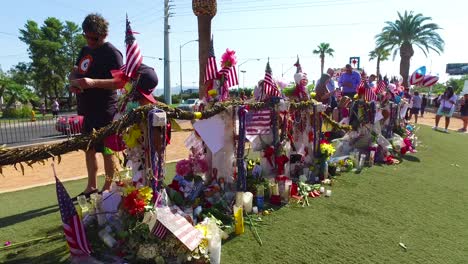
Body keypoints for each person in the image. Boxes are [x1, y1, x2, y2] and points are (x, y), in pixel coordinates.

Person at [69, 13, 124, 196]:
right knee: (89, 148)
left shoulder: (112, 53)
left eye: (94, 37)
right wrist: (74, 82)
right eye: (86, 36)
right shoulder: (85, 50)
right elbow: (76, 71)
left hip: (106, 109)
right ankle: (91, 186)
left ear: (104, 34)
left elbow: (120, 82)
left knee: (107, 149)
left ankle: (108, 187)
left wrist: (93, 82)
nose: (90, 40)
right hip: (87, 109)